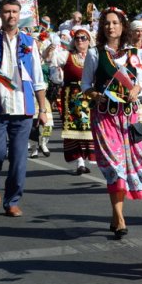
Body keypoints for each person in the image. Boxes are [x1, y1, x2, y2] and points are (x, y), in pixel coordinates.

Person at [81, 7, 142, 238]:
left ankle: (115, 213)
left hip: (128, 117)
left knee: (129, 163)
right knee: (115, 165)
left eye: (115, 23)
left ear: (123, 26)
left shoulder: (132, 53)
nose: (111, 27)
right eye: (107, 23)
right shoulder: (95, 54)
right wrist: (94, 94)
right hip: (105, 117)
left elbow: (141, 80)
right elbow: (85, 85)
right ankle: (119, 217)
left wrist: (136, 89)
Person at [0, 0, 49, 217]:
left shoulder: (29, 42)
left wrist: (42, 110)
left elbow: (38, 79)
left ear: (19, 14)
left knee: (18, 158)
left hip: (23, 108)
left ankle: (12, 200)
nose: (11, 15)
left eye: (15, 11)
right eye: (7, 11)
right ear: (0, 14)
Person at [50, 26, 95, 174]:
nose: (80, 40)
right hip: (72, 96)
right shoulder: (66, 55)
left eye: (83, 38)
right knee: (74, 129)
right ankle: (80, 161)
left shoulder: (95, 55)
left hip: (90, 96)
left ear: (89, 41)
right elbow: (51, 61)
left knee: (91, 127)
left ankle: (93, 156)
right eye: (77, 38)